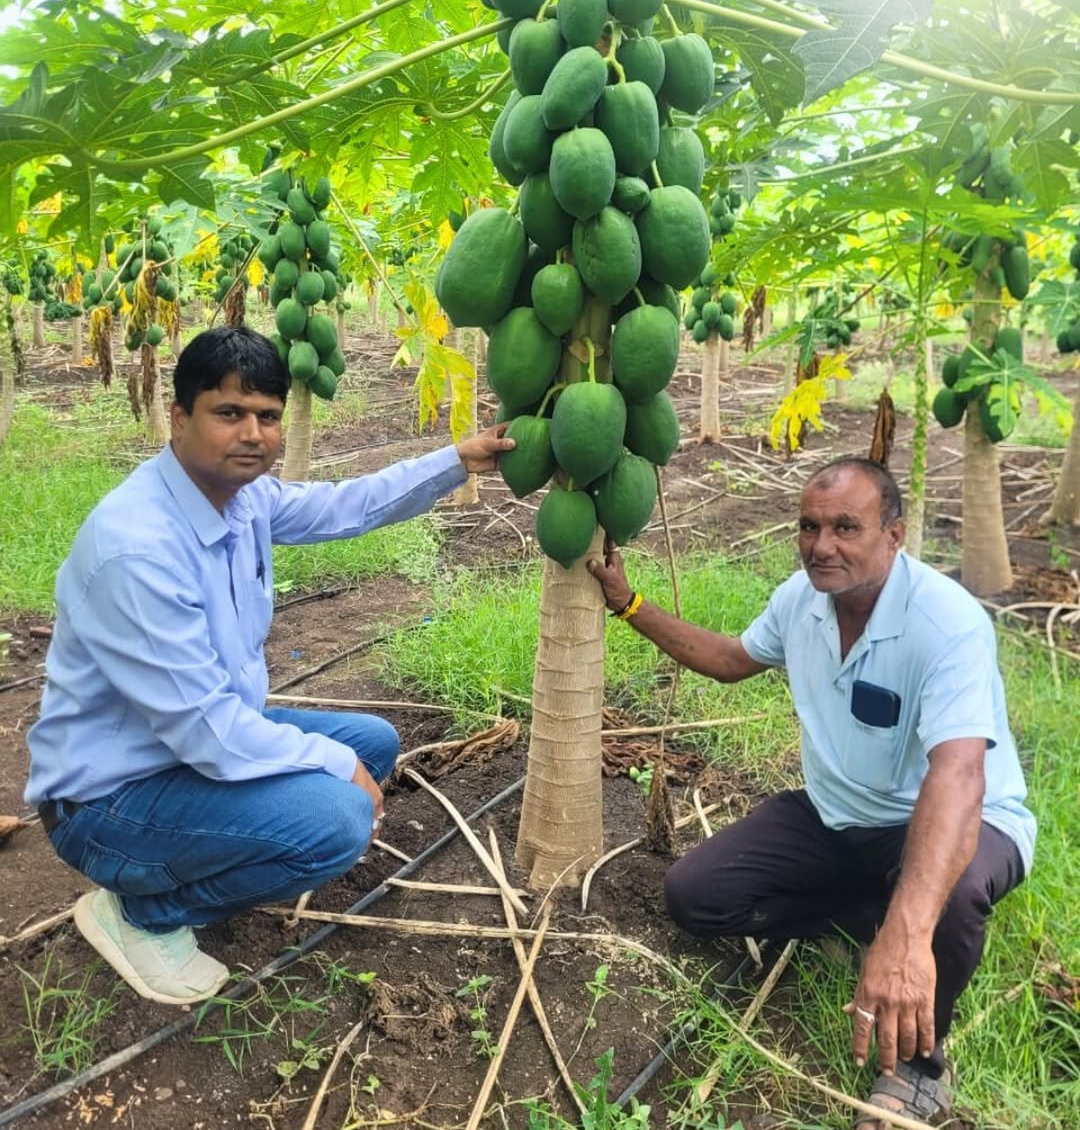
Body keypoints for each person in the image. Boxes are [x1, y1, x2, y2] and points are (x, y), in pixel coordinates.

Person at [25, 327, 513, 1006]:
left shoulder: (242, 497)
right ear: (179, 416)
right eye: (229, 414)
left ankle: (200, 860)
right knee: (337, 819)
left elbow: (348, 505)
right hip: (109, 800)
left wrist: (457, 459)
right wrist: (329, 765)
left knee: (373, 743)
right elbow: (208, 733)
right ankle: (140, 913)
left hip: (177, 749)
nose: (252, 433)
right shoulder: (137, 547)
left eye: (267, 416)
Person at [588, 457, 1034, 1130]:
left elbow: (959, 774)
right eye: (810, 526)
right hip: (837, 816)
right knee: (696, 896)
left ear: (894, 534)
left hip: (947, 817)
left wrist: (909, 938)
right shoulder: (802, 601)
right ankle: (872, 921)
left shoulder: (948, 625)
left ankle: (918, 1066)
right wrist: (630, 605)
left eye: (846, 527)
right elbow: (730, 659)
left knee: (953, 893)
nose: (822, 546)